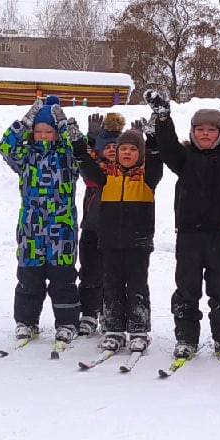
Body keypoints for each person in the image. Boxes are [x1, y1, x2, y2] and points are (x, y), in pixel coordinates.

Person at [148, 89, 220, 361]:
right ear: (193, 132)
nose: (205, 134)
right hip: (189, 236)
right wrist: (162, 119)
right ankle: (186, 338)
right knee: (186, 289)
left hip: (219, 236)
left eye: (211, 130)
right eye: (200, 130)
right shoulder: (184, 159)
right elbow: (168, 145)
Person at [74, 120, 162, 354]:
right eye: (123, 148)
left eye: (133, 149)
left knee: (137, 287)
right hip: (110, 242)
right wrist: (77, 142)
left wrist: (152, 138)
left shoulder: (147, 178)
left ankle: (138, 330)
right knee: (111, 286)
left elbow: (156, 159)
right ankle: (113, 329)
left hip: (138, 243)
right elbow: (85, 162)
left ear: (140, 154)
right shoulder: (106, 177)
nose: (127, 153)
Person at [0, 95, 82, 343]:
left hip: (62, 231)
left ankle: (67, 323)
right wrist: (26, 120)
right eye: (39, 131)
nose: (44, 136)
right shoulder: (26, 157)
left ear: (56, 133)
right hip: (31, 231)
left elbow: (81, 150)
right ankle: (26, 322)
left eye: (49, 131)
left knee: (63, 281)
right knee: (28, 279)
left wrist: (64, 124)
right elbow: (5, 146)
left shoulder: (68, 157)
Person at [78, 111, 126, 337]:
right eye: (106, 147)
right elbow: (86, 162)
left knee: (112, 275)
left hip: (116, 231)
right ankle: (88, 313)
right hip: (91, 228)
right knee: (89, 274)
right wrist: (89, 140)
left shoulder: (124, 172)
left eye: (116, 146)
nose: (111, 150)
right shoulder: (93, 170)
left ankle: (109, 313)